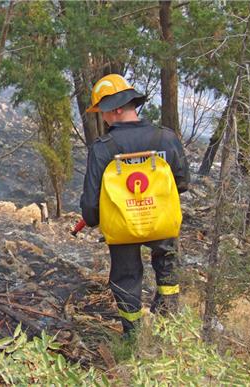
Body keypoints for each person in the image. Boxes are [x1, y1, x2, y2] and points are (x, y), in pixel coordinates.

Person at [80, 74, 190, 336]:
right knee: (167, 270)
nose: (103, 117)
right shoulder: (166, 138)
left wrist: (94, 219)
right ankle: (166, 326)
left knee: (126, 279)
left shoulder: (103, 148)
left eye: (104, 111)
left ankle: (134, 335)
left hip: (122, 225)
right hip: (162, 220)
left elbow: (92, 200)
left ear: (117, 108)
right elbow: (183, 182)